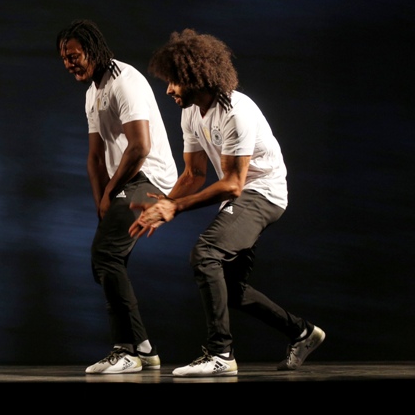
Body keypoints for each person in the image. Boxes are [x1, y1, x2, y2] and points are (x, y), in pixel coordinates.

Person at [131, 29, 325, 376]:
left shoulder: (236, 111)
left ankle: (220, 353)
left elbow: (234, 185)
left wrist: (175, 208)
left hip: (264, 192)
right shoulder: (190, 112)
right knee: (230, 290)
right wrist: (162, 204)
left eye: (174, 81)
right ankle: (302, 332)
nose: (169, 90)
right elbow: (193, 173)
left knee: (205, 254)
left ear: (195, 77)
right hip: (241, 194)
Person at [57, 20, 177, 374]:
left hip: (150, 178)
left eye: (74, 55)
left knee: (106, 256)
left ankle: (128, 349)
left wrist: (110, 192)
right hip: (124, 184)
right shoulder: (92, 93)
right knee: (108, 263)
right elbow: (95, 157)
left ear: (92, 51)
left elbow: (140, 146)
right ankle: (143, 348)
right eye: (64, 58)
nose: (69, 63)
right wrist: (101, 202)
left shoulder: (125, 82)